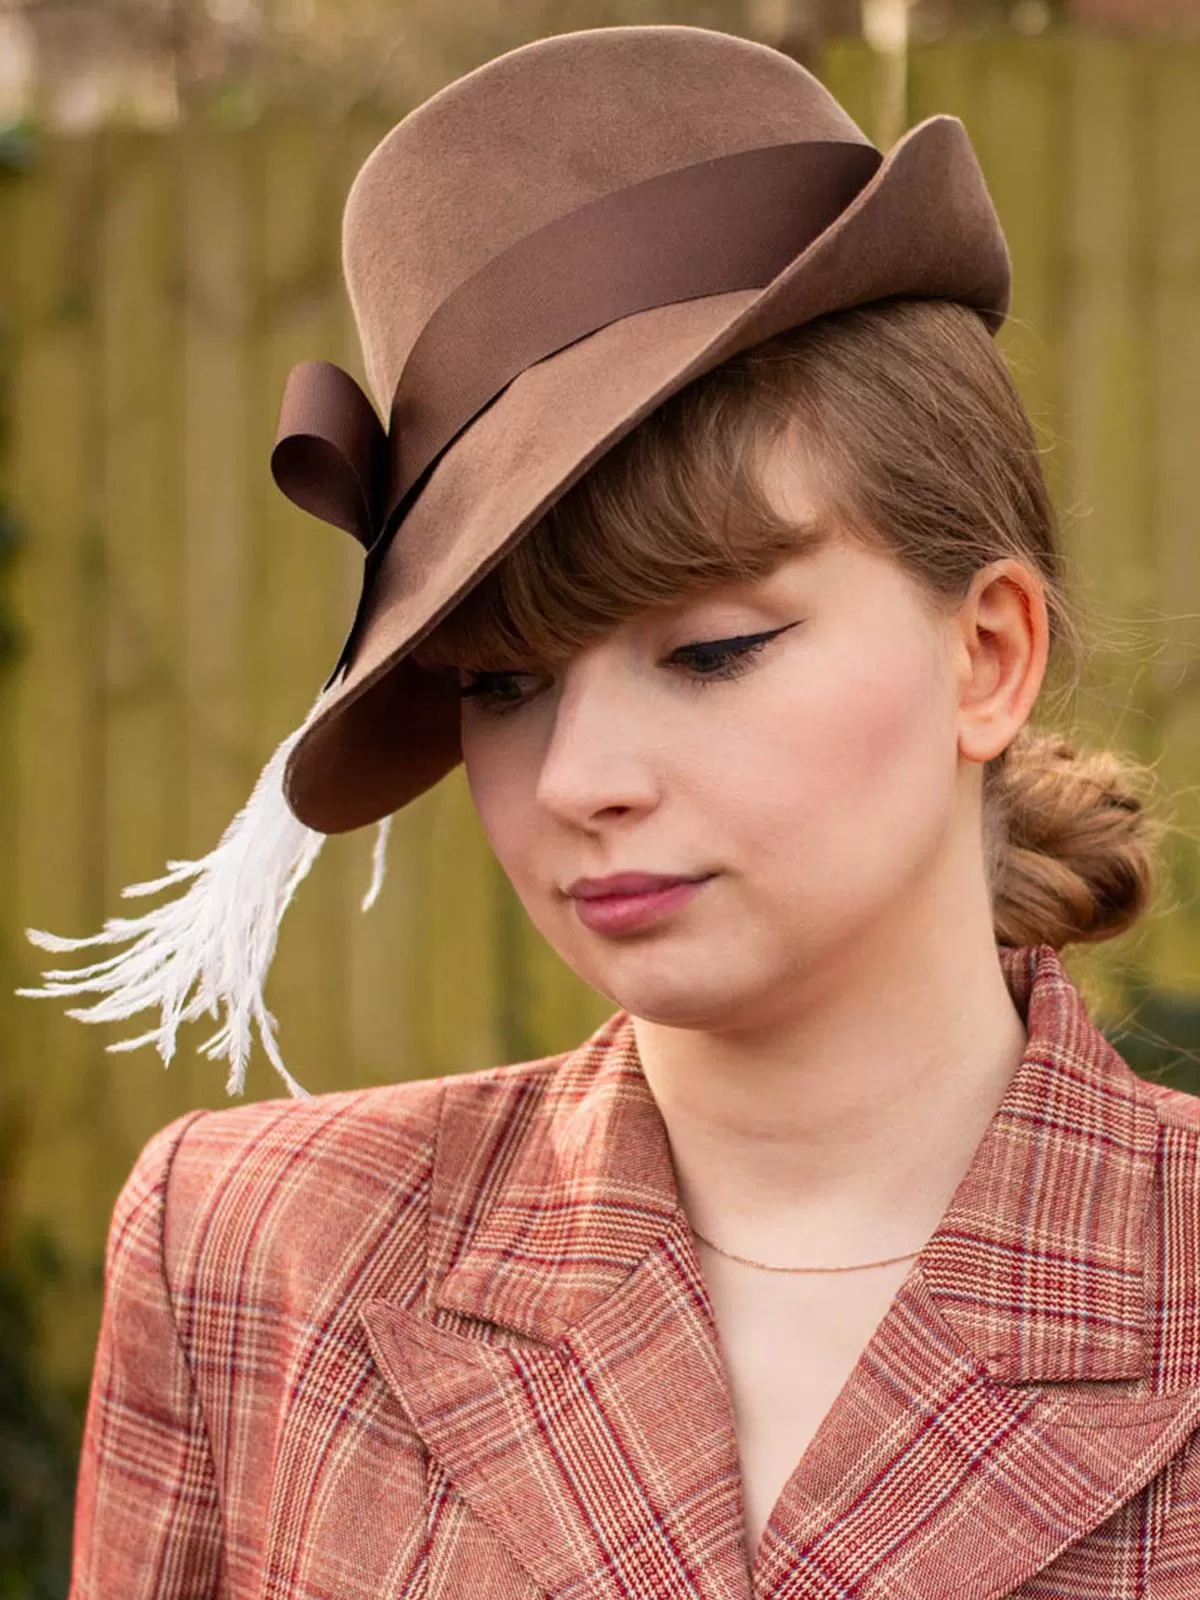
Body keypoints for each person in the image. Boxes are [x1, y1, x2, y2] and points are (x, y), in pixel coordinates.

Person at [29, 23, 1200, 1600]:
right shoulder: (260, 1255)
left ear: (986, 655)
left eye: (711, 651)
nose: (579, 781)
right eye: (501, 686)